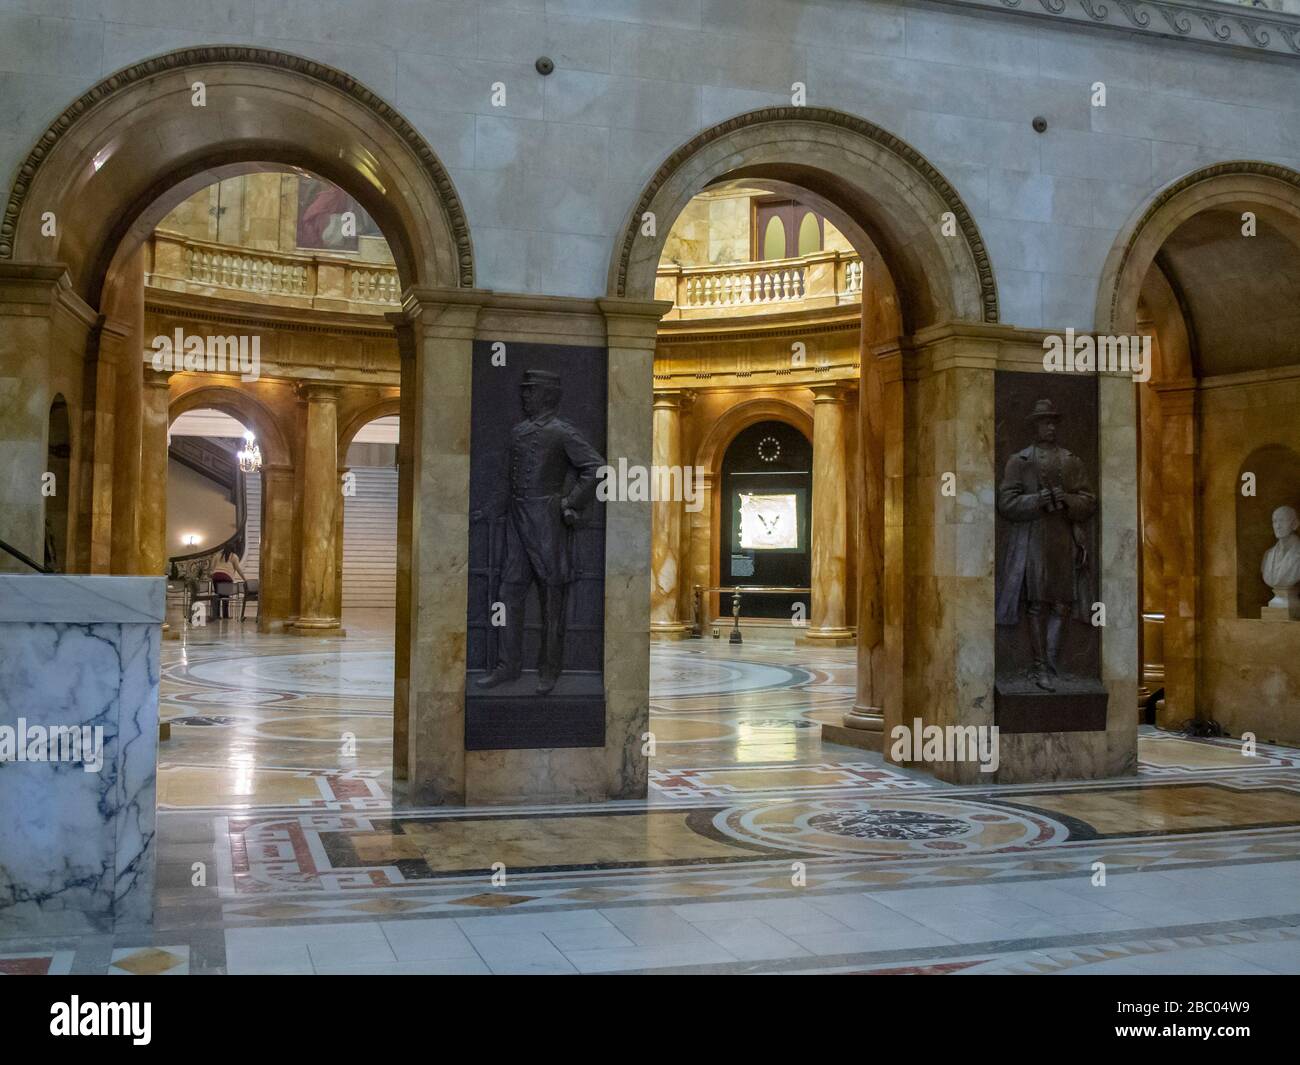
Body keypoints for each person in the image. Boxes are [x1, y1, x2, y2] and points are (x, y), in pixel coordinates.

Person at [474, 369, 605, 695]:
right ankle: (508, 666)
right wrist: (490, 509)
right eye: (523, 391)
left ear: (546, 395)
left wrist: (570, 502)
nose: (524, 397)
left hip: (547, 523)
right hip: (518, 523)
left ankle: (550, 670)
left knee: (551, 599)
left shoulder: (562, 432)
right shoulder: (518, 432)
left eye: (530, 391)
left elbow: (596, 467)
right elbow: (509, 478)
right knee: (508, 595)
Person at [995, 398, 1097, 691]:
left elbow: (1088, 500)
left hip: (1063, 538)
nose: (1050, 427)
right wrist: (1038, 500)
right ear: (1035, 427)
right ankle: (1039, 667)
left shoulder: (1070, 460)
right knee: (1037, 604)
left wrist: (1066, 500)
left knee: (1063, 603)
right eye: (1044, 422)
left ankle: (1053, 662)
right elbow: (1007, 502)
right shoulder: (1020, 461)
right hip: (1032, 540)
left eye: (1053, 422)